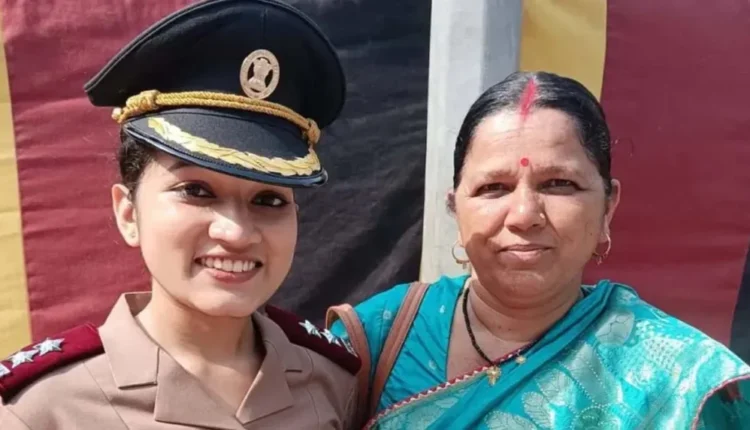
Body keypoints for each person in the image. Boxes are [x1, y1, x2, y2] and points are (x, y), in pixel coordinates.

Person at [0, 0, 361, 428]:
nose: (236, 232)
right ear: (128, 213)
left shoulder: (333, 384)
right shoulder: (43, 408)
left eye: (268, 200)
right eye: (196, 191)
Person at [329, 71, 750, 429]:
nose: (524, 215)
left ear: (608, 206)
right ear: (456, 208)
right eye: (494, 188)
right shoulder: (376, 338)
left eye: (559, 184)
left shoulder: (679, 375)